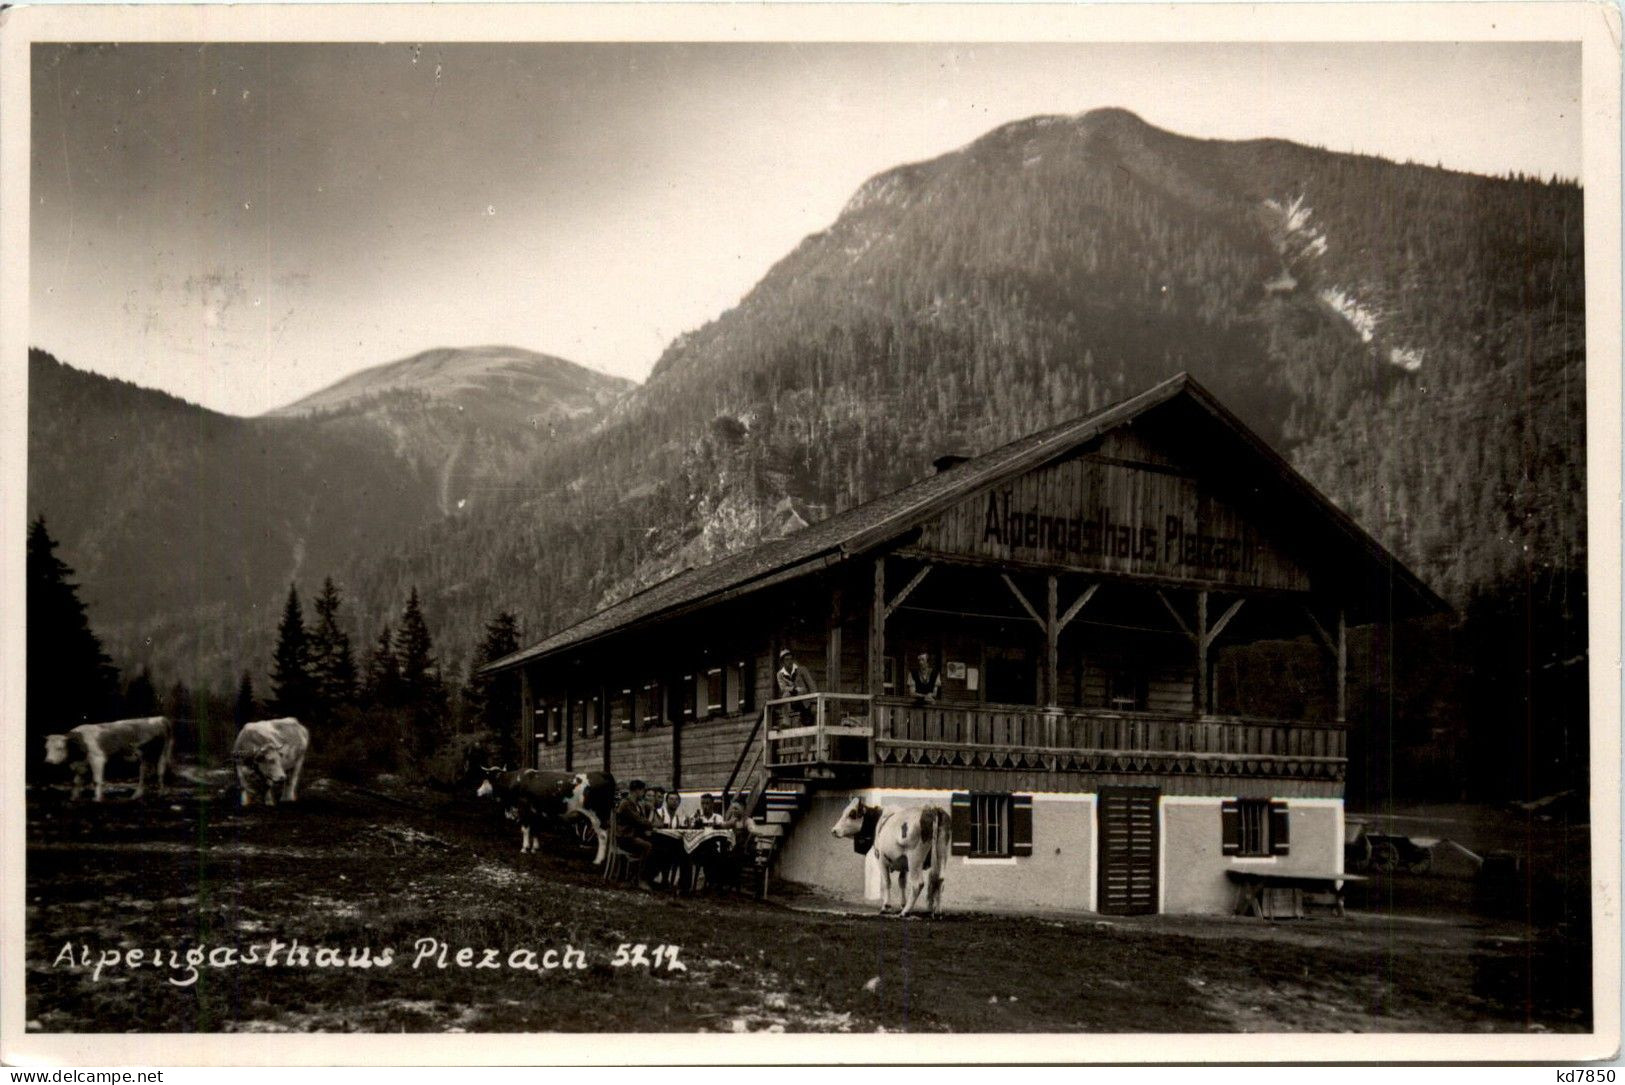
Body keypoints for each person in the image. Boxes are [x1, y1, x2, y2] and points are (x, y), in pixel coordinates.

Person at [614, 780, 655, 885]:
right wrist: (651, 821)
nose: (643, 794)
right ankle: (640, 878)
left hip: (630, 835)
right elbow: (640, 821)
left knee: (655, 844)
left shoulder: (634, 803)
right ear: (637, 791)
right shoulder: (626, 804)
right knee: (647, 846)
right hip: (624, 838)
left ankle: (643, 877)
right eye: (643, 791)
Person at [775, 649, 817, 725]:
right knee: (785, 695)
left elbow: (811, 685)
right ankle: (786, 722)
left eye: (791, 659)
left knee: (808, 723)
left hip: (805, 702)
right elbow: (783, 688)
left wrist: (814, 702)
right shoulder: (780, 674)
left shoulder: (801, 670)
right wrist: (794, 689)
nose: (789, 661)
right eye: (787, 659)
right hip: (792, 703)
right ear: (782, 662)